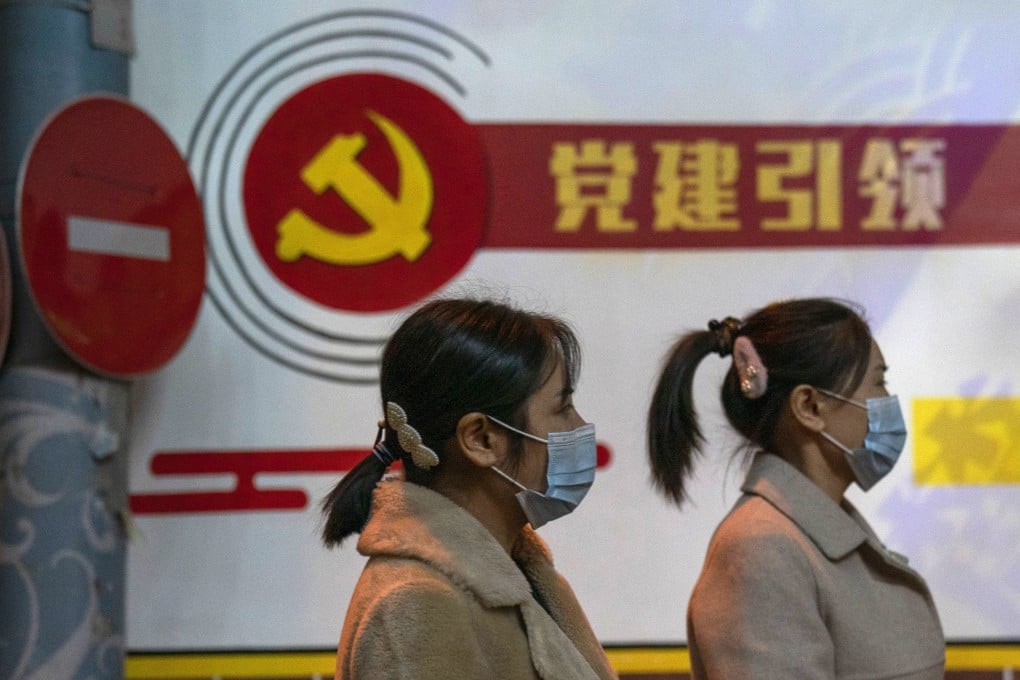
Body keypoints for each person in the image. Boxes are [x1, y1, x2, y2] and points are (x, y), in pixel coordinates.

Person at [647, 298, 944, 679]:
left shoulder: (817, 531)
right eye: (878, 383)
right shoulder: (760, 549)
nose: (887, 402)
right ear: (810, 407)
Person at [322, 297, 616, 680]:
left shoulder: (524, 578)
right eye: (562, 409)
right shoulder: (415, 603)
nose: (579, 427)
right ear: (482, 440)